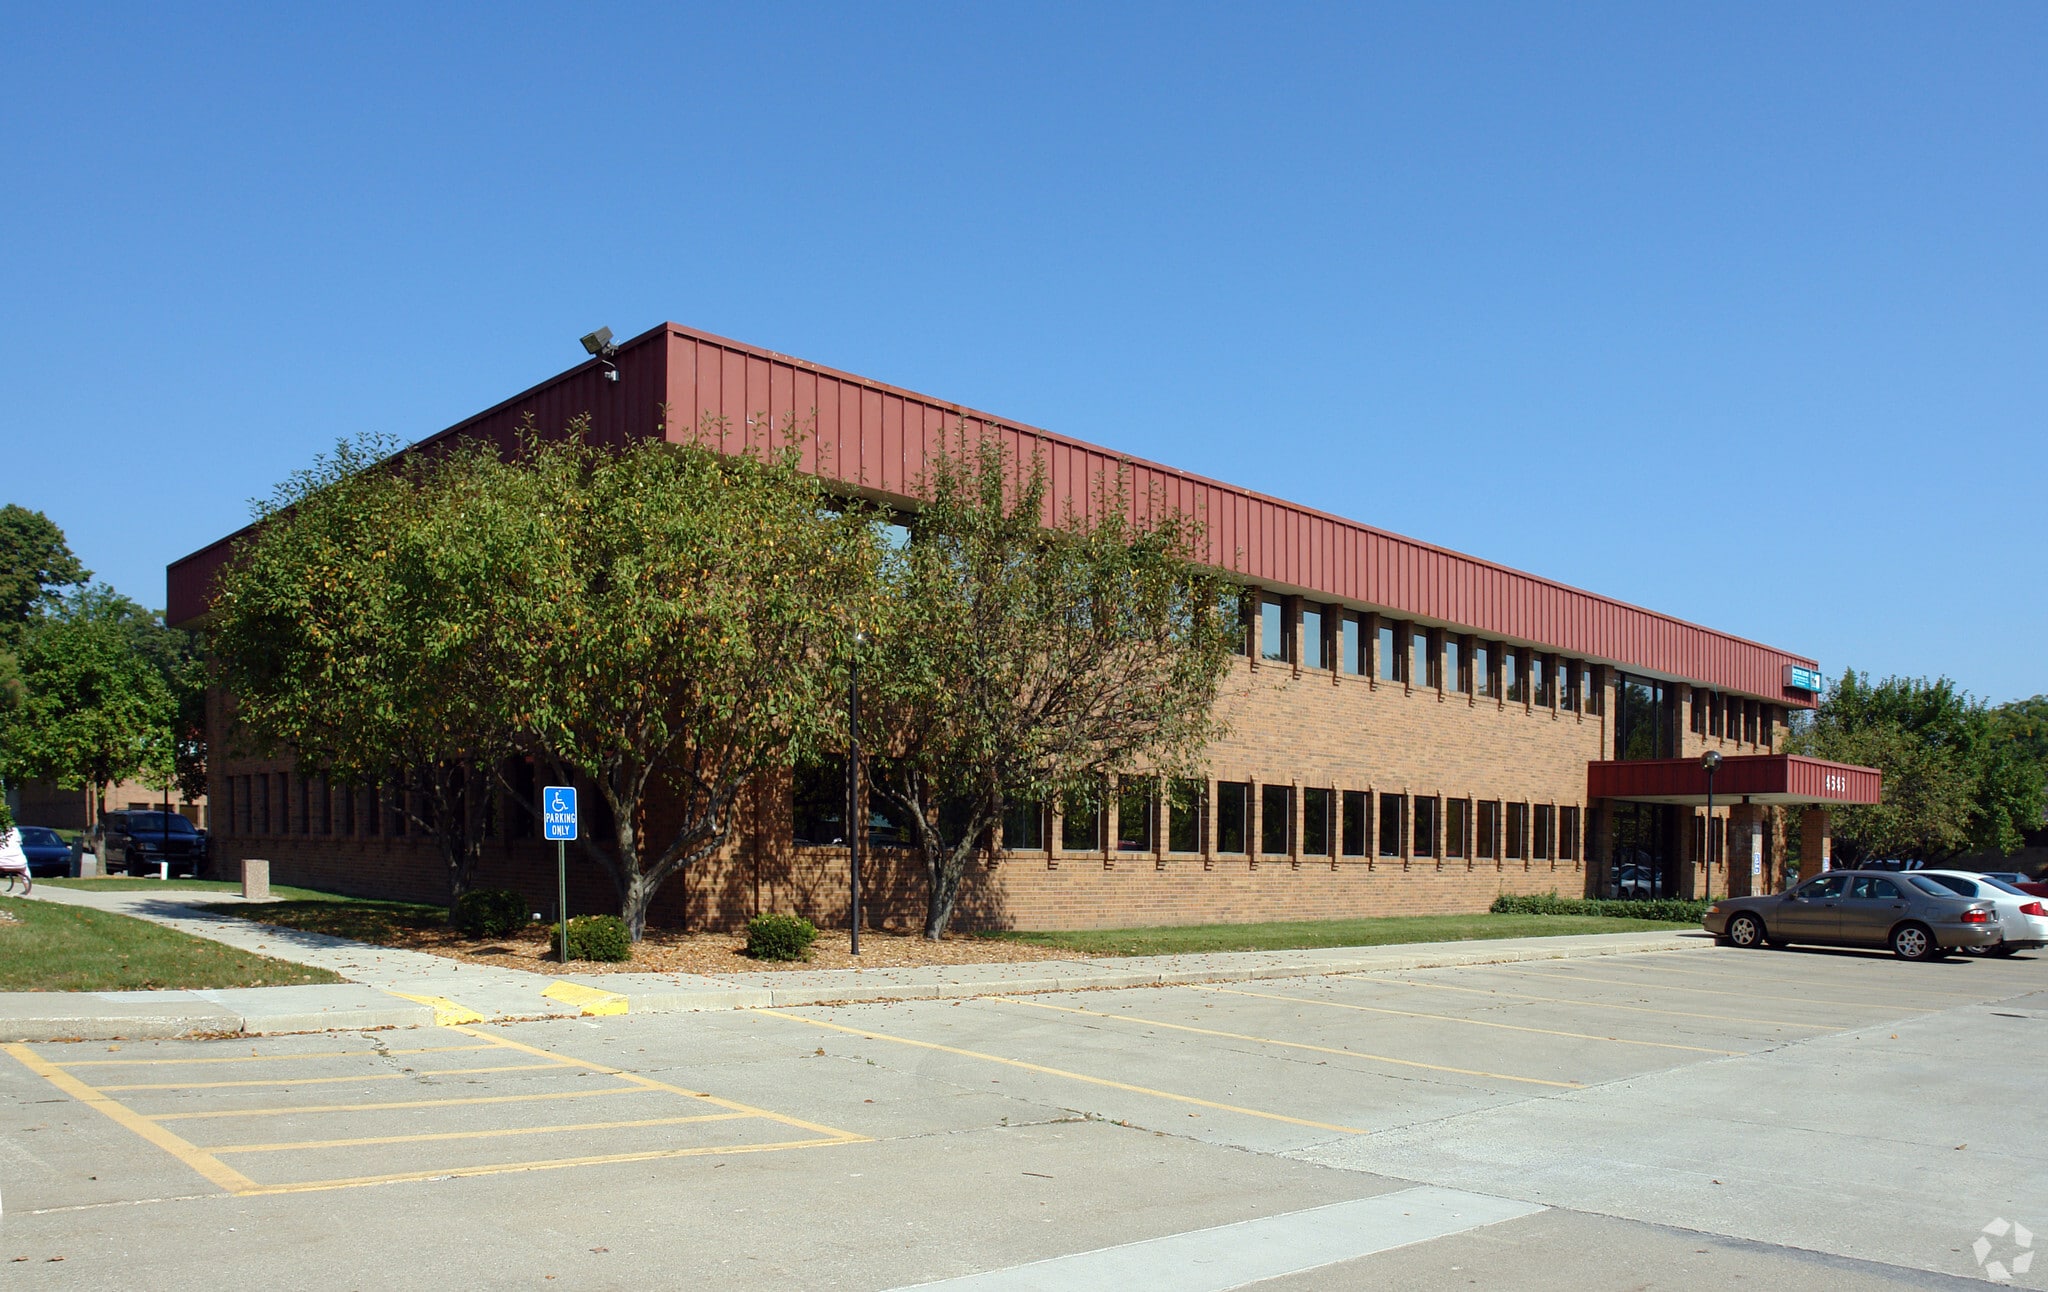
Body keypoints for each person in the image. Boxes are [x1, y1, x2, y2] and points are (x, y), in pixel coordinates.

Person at [0, 824, 30, 894]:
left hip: (1, 862)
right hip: (19, 863)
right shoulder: (15, 830)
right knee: (25, 869)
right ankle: (28, 889)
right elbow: (19, 842)